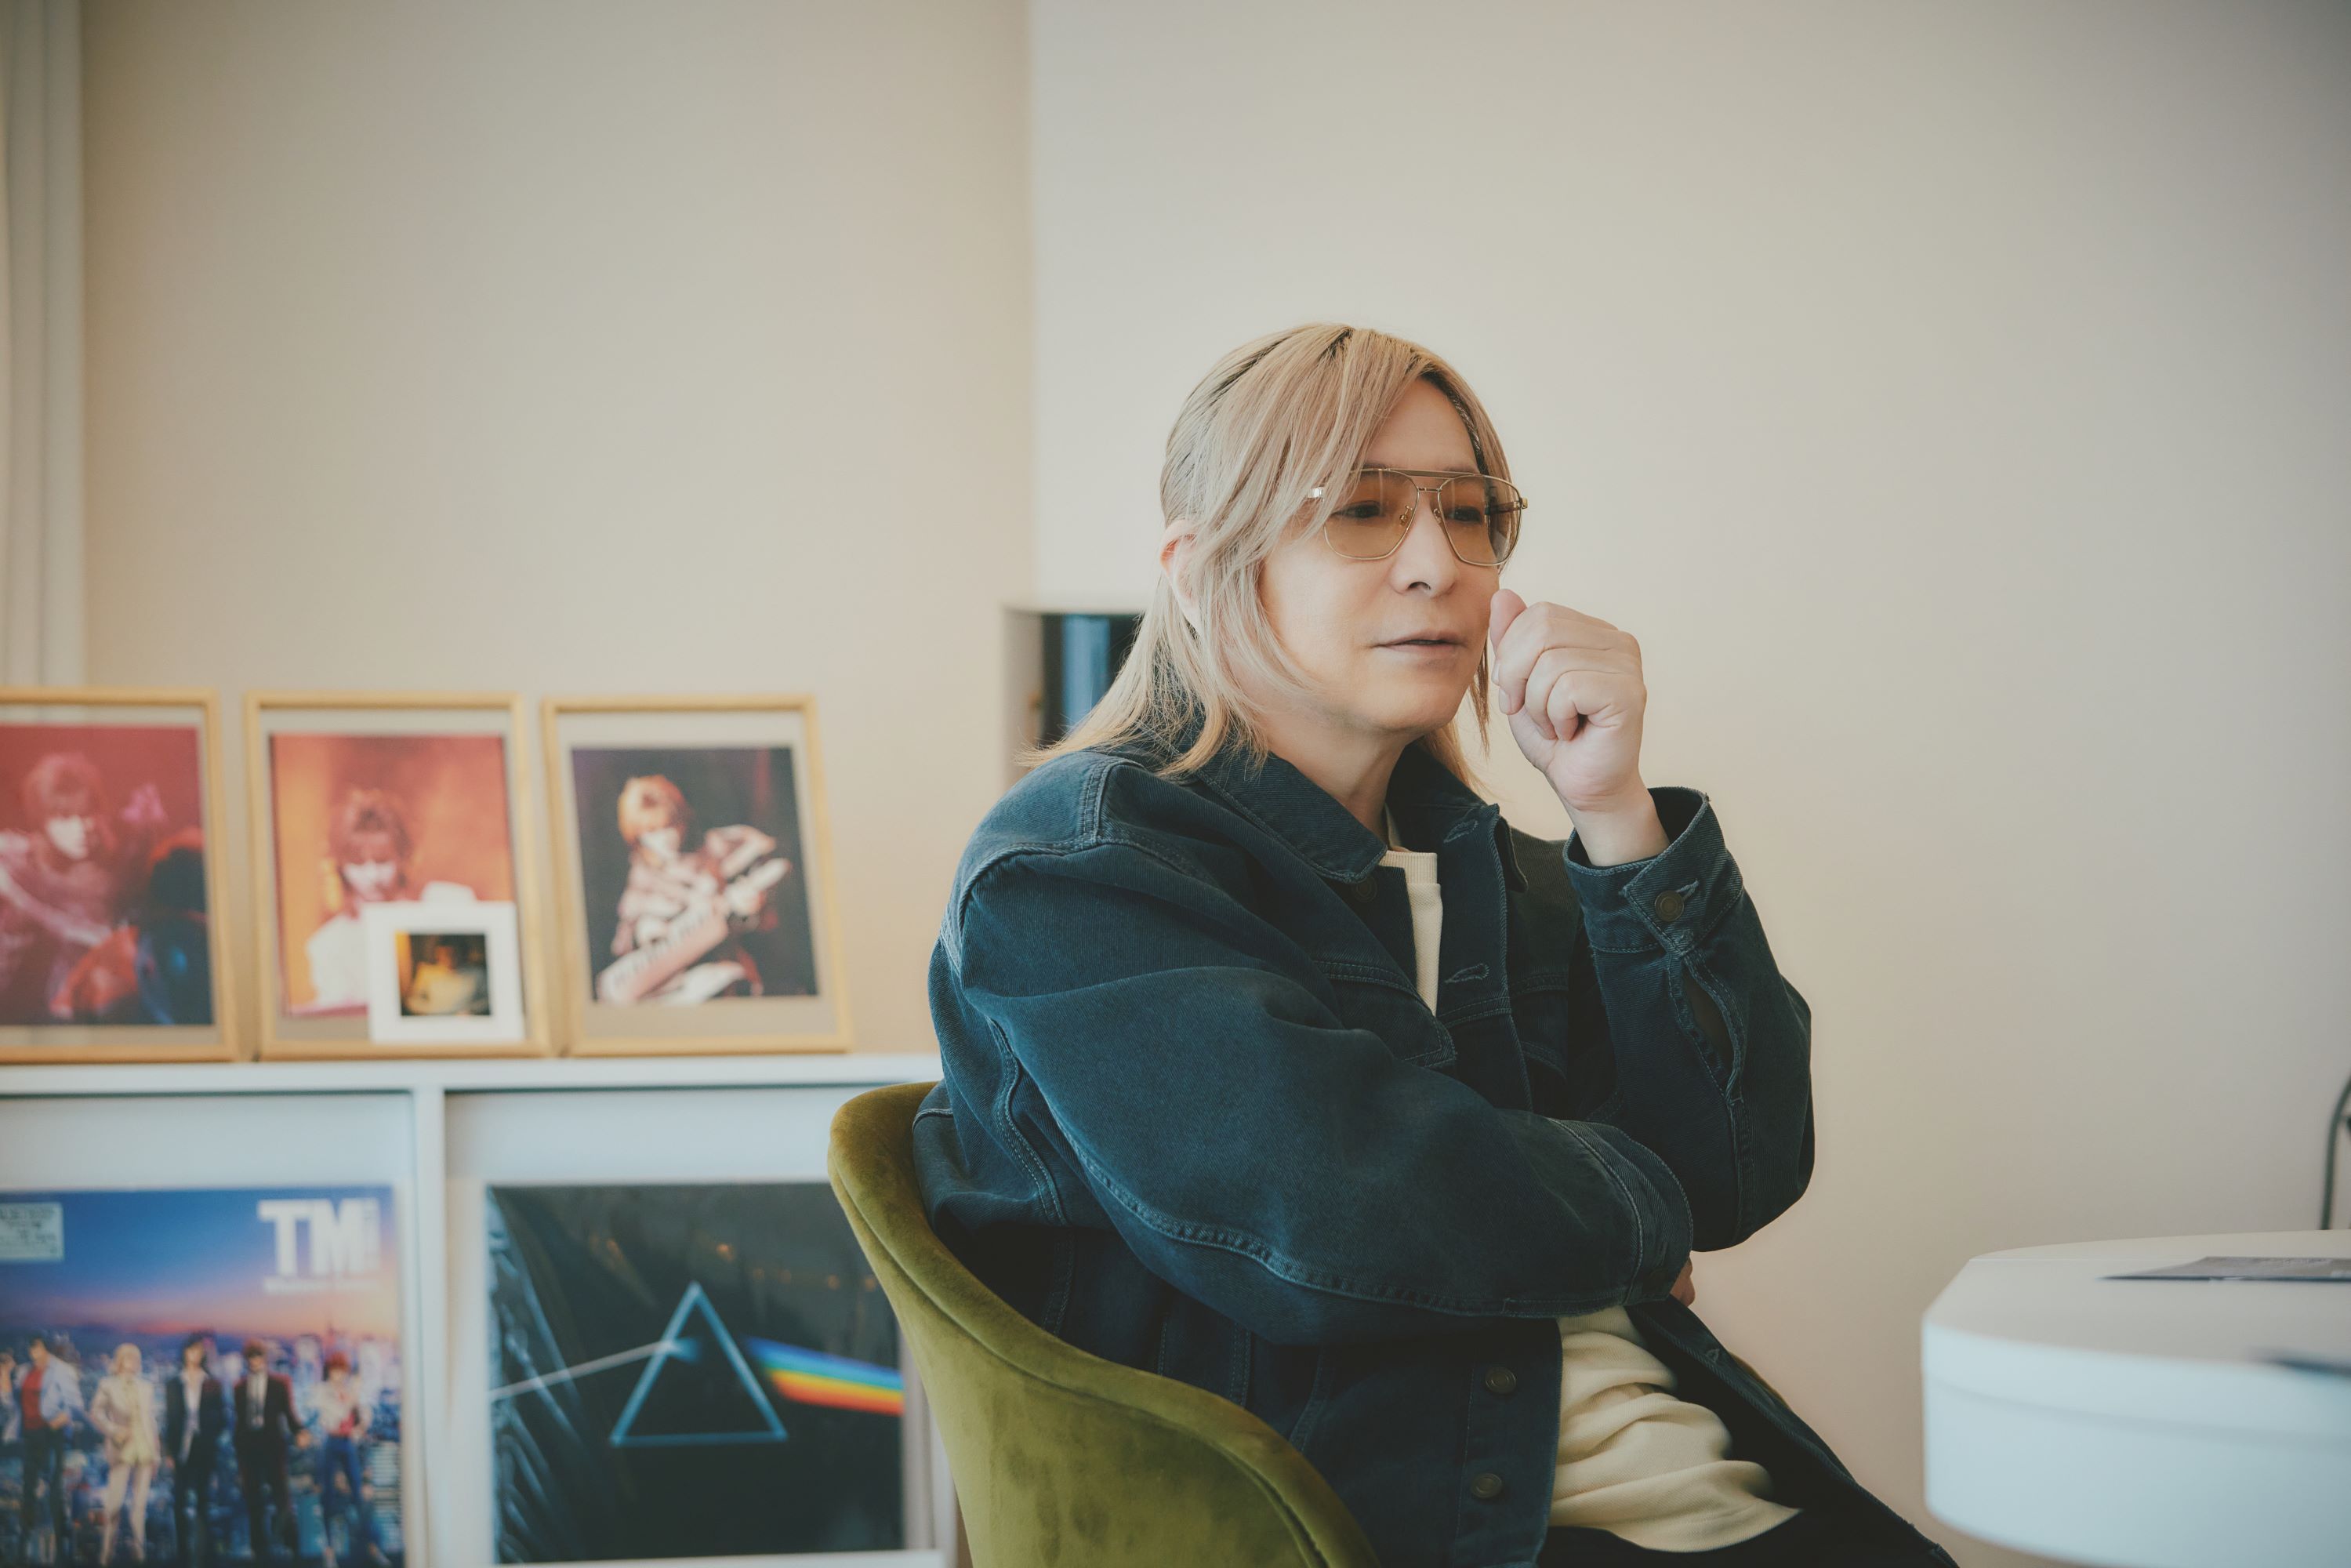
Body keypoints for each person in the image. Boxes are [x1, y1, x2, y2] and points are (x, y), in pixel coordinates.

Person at [912, 325, 1958, 1568]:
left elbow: (1739, 1171)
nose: (1435, 565)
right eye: (1359, 509)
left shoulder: (1491, 872)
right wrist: (1634, 1212)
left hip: (1714, 1495)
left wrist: (1613, 813)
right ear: (1196, 572)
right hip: (1425, 1531)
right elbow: (1330, 1214)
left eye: (1468, 515)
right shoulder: (1078, 868)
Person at [595, 775, 790, 1005]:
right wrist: (645, 930)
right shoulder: (642, 876)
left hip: (722, 964)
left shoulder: (714, 847)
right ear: (638, 836)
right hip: (668, 980)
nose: (664, 839)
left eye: (669, 826)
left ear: (682, 820)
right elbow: (627, 935)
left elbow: (773, 861)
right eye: (652, 832)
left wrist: (754, 903)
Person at [299, 787, 476, 1013]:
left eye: (382, 861)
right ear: (339, 866)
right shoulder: (328, 944)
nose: (372, 876)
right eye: (358, 863)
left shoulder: (450, 902)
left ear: (403, 856)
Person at [304, 1353, 383, 1568]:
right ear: (329, 1371)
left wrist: (359, 1424)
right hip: (331, 1442)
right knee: (328, 1497)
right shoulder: (323, 1391)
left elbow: (364, 1416)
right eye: (335, 1370)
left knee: (358, 1496)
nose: (338, 1375)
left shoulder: (349, 1391)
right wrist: (352, 1394)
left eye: (341, 1370)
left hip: (348, 1443)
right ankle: (329, 1551)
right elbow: (336, 1415)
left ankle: (371, 1546)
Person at [91, 1342, 162, 1563]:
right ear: (120, 1361)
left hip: (145, 1449)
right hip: (121, 1449)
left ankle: (140, 1554)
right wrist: (114, 1431)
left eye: (136, 1358)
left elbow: (151, 1421)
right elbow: (96, 1413)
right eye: (129, 1358)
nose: (133, 1362)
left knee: (139, 1507)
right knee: (114, 1505)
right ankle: (106, 1554)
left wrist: (156, 1454)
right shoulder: (108, 1385)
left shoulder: (146, 1387)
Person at [15, 1334, 84, 1561]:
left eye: (36, 1347)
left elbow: (76, 1405)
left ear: (45, 1348)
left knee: (55, 1490)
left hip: (51, 1434)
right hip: (29, 1434)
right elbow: (15, 1401)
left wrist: (57, 1421)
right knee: (28, 1488)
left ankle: (62, 1546)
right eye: (30, 1348)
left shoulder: (62, 1370)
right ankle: (24, 1545)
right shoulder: (24, 1371)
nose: (32, 1352)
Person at [230, 1342, 297, 1564]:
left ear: (265, 1359)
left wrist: (300, 1431)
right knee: (253, 1500)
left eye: (258, 1357)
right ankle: (259, 1551)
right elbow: (239, 1420)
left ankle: (290, 1545)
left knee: (281, 1497)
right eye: (252, 1357)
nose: (255, 1361)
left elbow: (288, 1413)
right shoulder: (239, 1387)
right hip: (249, 1448)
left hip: (273, 1446)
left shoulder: (279, 1384)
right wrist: (237, 1449)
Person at [162, 1334, 226, 1566]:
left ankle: (204, 1555)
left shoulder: (212, 1383)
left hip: (204, 1447)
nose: (194, 1355)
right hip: (181, 1447)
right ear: (185, 1353)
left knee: (203, 1502)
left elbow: (222, 1416)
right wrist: (168, 1452)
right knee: (179, 1502)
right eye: (191, 1351)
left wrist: (212, 1437)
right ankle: (183, 1554)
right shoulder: (173, 1383)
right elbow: (170, 1420)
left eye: (199, 1352)